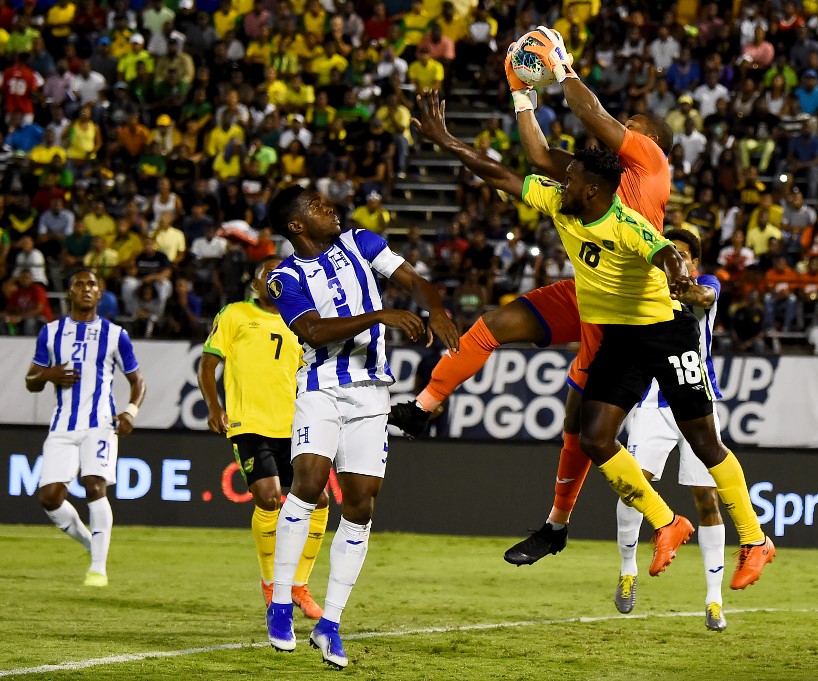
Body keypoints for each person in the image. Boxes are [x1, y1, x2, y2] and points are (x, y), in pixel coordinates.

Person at [414, 87, 774, 589]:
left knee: (702, 439)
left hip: (666, 330)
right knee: (594, 436)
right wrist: (448, 140)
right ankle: (668, 523)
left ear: (589, 189)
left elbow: (664, 250)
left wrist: (677, 276)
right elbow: (507, 171)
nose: (561, 184)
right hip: (619, 332)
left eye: (571, 181)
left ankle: (755, 539)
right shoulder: (572, 200)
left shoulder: (632, 205)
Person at [390, 26, 677, 569]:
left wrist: (561, 67)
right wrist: (521, 92)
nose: (618, 129)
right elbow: (538, 155)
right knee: (493, 324)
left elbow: (592, 115)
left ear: (649, 141)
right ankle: (423, 408)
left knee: (578, 427)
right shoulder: (593, 181)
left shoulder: (651, 167)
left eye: (629, 127)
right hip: (587, 286)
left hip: (620, 308)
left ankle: (558, 524)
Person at [262, 186, 459, 667]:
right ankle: (281, 605)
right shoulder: (282, 277)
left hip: (372, 392)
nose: (329, 207)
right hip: (321, 388)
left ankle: (330, 625)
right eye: (315, 205)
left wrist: (435, 307)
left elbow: (413, 279)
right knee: (307, 483)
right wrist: (380, 315)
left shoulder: (361, 242)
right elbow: (311, 331)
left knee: (362, 502)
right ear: (296, 226)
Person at [198, 256, 329, 617]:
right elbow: (208, 363)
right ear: (256, 284)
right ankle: (272, 584)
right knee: (269, 499)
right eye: (266, 274)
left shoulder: (301, 321)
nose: (274, 279)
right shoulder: (235, 314)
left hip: (295, 423)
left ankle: (299, 584)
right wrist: (213, 406)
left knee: (318, 501)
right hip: (249, 424)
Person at [616, 229, 728, 631]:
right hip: (652, 401)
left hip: (698, 402)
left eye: (680, 256)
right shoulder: (646, 288)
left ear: (693, 264)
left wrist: (679, 287)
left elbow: (703, 298)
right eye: (667, 255)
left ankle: (714, 600)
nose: (673, 262)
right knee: (633, 486)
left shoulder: (707, 285)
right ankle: (628, 571)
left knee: (706, 499)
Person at [23, 269, 146, 587]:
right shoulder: (50, 332)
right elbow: (30, 381)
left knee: (94, 485)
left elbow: (137, 381)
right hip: (62, 424)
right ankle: (93, 545)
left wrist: (130, 411)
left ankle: (97, 568)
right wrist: (48, 375)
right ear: (70, 293)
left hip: (100, 423)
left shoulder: (115, 334)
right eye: (79, 284)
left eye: (92, 284)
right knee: (50, 497)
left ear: (100, 292)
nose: (86, 289)